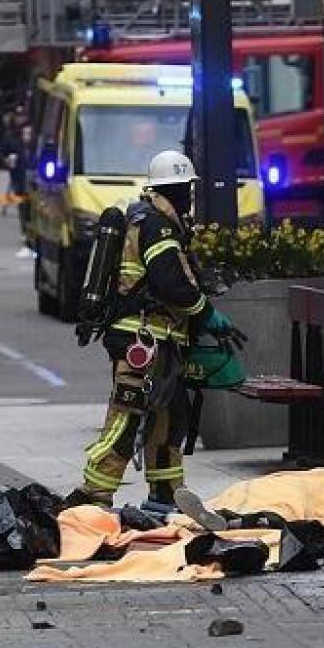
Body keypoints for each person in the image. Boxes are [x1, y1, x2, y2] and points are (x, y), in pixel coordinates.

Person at [65, 151, 235, 509]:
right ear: (176, 189)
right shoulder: (158, 226)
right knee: (127, 419)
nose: (190, 196)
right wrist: (207, 313)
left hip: (160, 341)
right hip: (141, 340)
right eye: (187, 189)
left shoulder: (157, 221)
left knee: (168, 420)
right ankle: (91, 495)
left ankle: (166, 493)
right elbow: (169, 282)